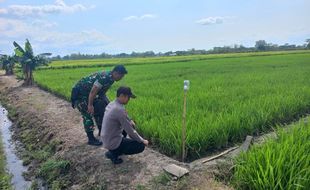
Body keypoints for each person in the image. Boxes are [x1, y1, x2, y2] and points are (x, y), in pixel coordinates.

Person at [71, 65, 127, 146]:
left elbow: (102, 94)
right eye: (121, 76)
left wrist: (109, 105)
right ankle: (91, 139)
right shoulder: (104, 77)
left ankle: (102, 131)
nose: (121, 78)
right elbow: (93, 92)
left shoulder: (111, 79)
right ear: (115, 73)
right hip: (80, 94)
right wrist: (90, 105)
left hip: (88, 94)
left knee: (101, 107)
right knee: (88, 114)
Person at [101, 86, 149, 164]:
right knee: (140, 146)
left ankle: (113, 150)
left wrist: (130, 120)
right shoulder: (119, 109)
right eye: (128, 97)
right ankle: (114, 154)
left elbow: (124, 116)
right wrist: (143, 140)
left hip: (106, 139)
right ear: (122, 96)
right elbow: (130, 131)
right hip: (112, 142)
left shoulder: (113, 104)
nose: (129, 100)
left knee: (128, 125)